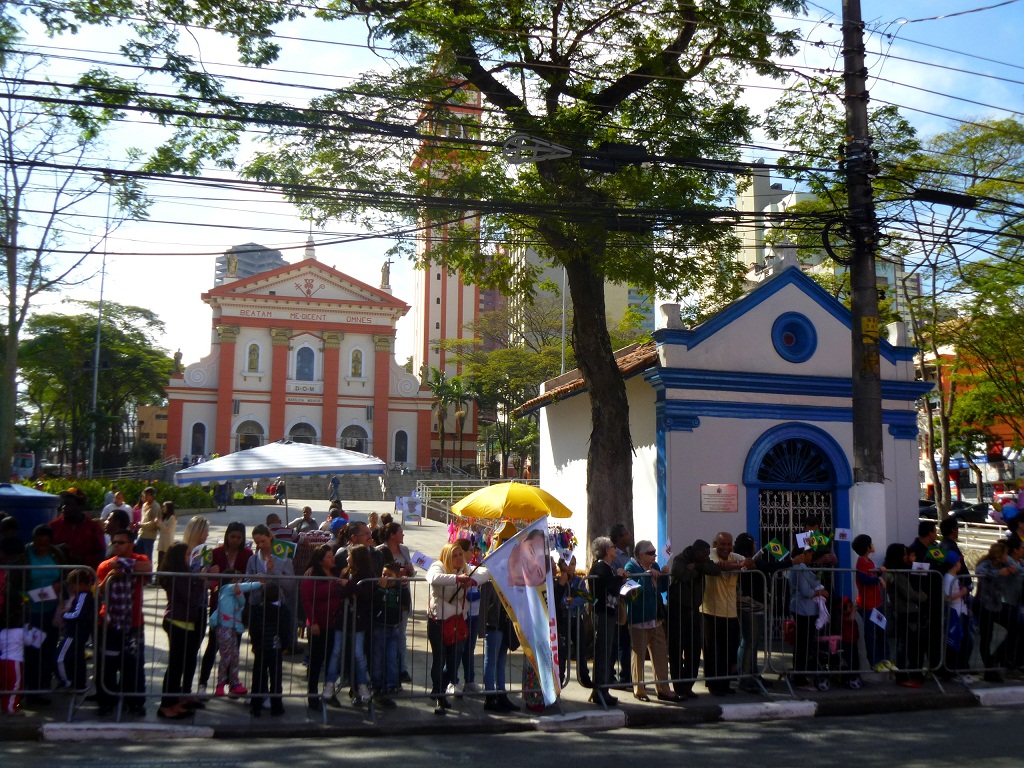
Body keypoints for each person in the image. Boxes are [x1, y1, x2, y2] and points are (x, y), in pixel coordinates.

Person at [425, 542, 490, 715]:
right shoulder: (438, 566)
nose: (459, 559)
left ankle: (439, 689)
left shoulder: (466, 569)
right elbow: (432, 578)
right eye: (455, 555)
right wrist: (457, 579)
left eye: (460, 554)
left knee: (453, 662)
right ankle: (439, 696)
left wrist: (472, 580)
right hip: (439, 622)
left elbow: (485, 572)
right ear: (447, 556)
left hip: (458, 622)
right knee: (439, 659)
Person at [95, 529, 152, 716]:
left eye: (121, 542)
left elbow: (147, 569)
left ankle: (134, 701)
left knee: (134, 663)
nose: (116, 546)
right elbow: (99, 591)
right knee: (107, 664)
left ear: (131, 544)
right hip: (110, 623)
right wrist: (112, 575)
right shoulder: (106, 565)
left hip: (134, 623)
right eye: (114, 542)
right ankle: (106, 701)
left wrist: (123, 565)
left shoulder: (140, 558)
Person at [198, 522, 253, 696]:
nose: (235, 540)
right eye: (232, 537)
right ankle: (203, 682)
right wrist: (213, 577)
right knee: (213, 645)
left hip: (237, 606)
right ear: (227, 536)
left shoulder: (247, 554)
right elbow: (205, 578)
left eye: (239, 537)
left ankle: (231, 682)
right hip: (219, 605)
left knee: (234, 647)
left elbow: (248, 577)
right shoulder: (216, 553)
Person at [621, 539, 677, 702]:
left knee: (660, 654)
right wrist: (645, 577)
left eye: (654, 553)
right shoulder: (630, 568)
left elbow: (662, 589)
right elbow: (632, 593)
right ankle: (639, 690)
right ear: (640, 555)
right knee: (638, 654)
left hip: (656, 617)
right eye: (650, 553)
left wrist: (664, 576)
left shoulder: (656, 567)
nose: (654, 556)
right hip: (639, 618)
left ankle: (663, 689)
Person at [158, 542, 206, 719]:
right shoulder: (177, 575)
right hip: (178, 621)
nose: (189, 558)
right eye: (187, 555)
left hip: (185, 621)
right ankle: (166, 705)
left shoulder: (182, 574)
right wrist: (200, 581)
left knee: (179, 666)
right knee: (175, 666)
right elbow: (190, 597)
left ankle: (174, 701)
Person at [702, 531, 751, 695]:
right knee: (712, 651)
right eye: (722, 544)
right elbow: (717, 567)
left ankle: (724, 684)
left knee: (728, 651)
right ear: (716, 544)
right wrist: (741, 565)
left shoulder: (734, 556)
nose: (726, 547)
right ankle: (713, 685)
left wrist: (738, 564)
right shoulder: (709, 553)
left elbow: (751, 564)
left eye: (729, 544)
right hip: (711, 611)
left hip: (730, 612)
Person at [733, 532, 779, 693]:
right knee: (749, 642)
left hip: (756, 605)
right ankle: (745, 678)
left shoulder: (750, 560)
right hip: (749, 605)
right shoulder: (743, 560)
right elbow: (766, 567)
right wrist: (791, 561)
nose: (756, 546)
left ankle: (753, 674)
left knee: (752, 642)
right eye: (753, 543)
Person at [302, 545, 345, 710]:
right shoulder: (311, 574)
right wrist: (312, 621)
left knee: (331, 660)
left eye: (332, 556)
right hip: (318, 625)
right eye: (329, 557)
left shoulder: (335, 573)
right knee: (316, 660)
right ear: (320, 560)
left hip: (334, 623)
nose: (332, 559)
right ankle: (312, 695)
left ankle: (329, 692)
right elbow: (306, 599)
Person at [23, 524, 63, 698]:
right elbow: (15, 582)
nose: (42, 547)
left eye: (46, 544)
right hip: (30, 612)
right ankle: (29, 688)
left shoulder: (56, 554)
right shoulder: (23, 555)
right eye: (39, 543)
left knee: (48, 650)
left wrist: (60, 586)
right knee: (31, 651)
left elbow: (64, 574)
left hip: (51, 612)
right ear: (33, 541)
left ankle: (43, 686)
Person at [908, 520, 947, 679]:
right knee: (920, 637)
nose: (936, 533)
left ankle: (936, 666)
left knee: (935, 634)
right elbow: (915, 577)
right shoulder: (914, 550)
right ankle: (917, 670)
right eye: (934, 530)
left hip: (936, 599)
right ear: (929, 533)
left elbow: (943, 564)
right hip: (921, 601)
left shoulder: (934, 548)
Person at [587, 535, 624, 707]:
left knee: (606, 650)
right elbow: (611, 586)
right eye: (612, 546)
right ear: (606, 551)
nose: (615, 548)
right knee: (603, 651)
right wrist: (619, 577)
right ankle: (600, 690)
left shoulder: (606, 567)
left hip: (607, 612)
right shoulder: (601, 567)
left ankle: (602, 690)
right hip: (602, 613)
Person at [210, 570, 258, 698]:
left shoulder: (235, 593)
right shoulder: (226, 589)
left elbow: (242, 602)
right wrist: (259, 583)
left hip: (232, 628)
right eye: (236, 579)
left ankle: (234, 683)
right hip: (224, 627)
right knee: (226, 656)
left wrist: (239, 594)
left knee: (235, 656)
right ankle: (220, 685)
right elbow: (245, 587)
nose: (239, 581)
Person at [975, 540, 1018, 683]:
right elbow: (979, 571)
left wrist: (1012, 569)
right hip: (984, 605)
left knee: (1016, 628)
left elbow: (1017, 569)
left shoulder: (1004, 563)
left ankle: (997, 658)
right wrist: (998, 573)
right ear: (999, 556)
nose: (1007, 557)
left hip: (997, 605)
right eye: (1005, 555)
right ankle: (989, 669)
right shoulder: (985, 564)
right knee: (986, 638)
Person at [884, 542, 926, 688]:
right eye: (903, 553)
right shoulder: (896, 574)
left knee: (909, 645)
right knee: (906, 646)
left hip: (906, 612)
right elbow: (910, 594)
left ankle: (909, 673)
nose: (905, 556)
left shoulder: (899, 572)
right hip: (906, 612)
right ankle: (903, 675)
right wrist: (923, 596)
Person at [377, 521, 414, 683]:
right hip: (387, 598)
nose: (403, 535)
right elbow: (379, 574)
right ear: (392, 535)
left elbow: (410, 573)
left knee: (401, 634)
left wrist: (411, 571)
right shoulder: (380, 551)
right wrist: (395, 575)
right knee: (387, 636)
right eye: (400, 532)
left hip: (402, 597)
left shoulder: (405, 550)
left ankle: (402, 668)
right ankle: (386, 672)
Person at [788, 546, 827, 691]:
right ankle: (799, 677)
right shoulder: (800, 567)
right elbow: (805, 591)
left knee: (801, 643)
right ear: (804, 554)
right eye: (810, 553)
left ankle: (798, 674)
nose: (812, 556)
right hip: (804, 609)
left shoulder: (800, 567)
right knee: (803, 644)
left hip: (802, 608)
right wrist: (821, 592)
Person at [248, 581, 288, 717]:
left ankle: (256, 705)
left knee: (258, 677)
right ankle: (277, 706)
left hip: (261, 646)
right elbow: (285, 630)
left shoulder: (258, 609)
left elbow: (253, 629)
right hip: (276, 647)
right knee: (276, 677)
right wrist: (285, 645)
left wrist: (255, 643)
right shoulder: (283, 610)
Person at [852, 533, 889, 671]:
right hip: (868, 605)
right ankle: (875, 661)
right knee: (871, 634)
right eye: (871, 543)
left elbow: (870, 575)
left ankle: (885, 659)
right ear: (867, 547)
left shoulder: (869, 562)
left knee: (881, 631)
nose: (873, 545)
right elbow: (863, 579)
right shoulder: (861, 561)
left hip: (876, 603)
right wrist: (877, 579)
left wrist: (879, 573)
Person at [370, 561, 404, 708]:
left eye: (389, 576)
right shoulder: (378, 588)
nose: (385, 578)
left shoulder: (400, 589)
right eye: (383, 574)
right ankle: (376, 687)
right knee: (378, 658)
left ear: (397, 577)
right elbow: (374, 603)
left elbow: (405, 604)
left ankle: (390, 685)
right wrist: (380, 588)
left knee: (391, 657)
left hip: (394, 627)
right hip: (379, 627)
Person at [56, 568, 94, 691]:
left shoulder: (83, 596)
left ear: (80, 584)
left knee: (60, 657)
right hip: (79, 633)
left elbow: (78, 614)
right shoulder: (84, 596)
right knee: (77, 658)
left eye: (73, 585)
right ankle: (78, 683)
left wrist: (64, 615)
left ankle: (67, 681)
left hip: (74, 633)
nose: (72, 589)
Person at [49, 488, 105, 570]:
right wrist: (56, 549)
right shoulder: (53, 526)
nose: (64, 507)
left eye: (68, 504)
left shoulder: (93, 527)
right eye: (63, 504)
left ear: (80, 506)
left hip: (84, 577)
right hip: (57, 576)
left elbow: (101, 553)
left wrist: (82, 560)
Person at [608, 523, 633, 686]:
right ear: (618, 538)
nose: (629, 535)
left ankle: (626, 675)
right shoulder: (615, 557)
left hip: (627, 603)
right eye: (626, 533)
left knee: (625, 641)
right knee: (615, 640)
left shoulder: (628, 554)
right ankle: (610, 675)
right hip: (617, 604)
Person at [941, 551, 970, 681]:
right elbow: (946, 598)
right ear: (955, 564)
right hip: (953, 615)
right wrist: (962, 592)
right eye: (959, 562)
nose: (960, 564)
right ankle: (952, 671)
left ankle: (957, 669)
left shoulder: (953, 578)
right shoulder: (948, 578)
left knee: (965, 641)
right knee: (957, 643)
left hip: (959, 612)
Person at [136, 486, 161, 561]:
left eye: (146, 495)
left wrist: (141, 525)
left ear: (151, 495)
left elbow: (154, 523)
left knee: (147, 557)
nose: (144, 497)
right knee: (138, 555)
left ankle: (148, 572)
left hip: (149, 537)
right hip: (141, 534)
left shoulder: (156, 506)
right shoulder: (144, 505)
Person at [157, 501, 177, 572]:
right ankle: (158, 578)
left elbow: (168, 530)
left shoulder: (172, 518)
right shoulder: (164, 518)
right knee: (160, 562)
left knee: (166, 563)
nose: (162, 508)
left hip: (168, 544)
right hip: (162, 543)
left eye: (164, 507)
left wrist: (160, 524)